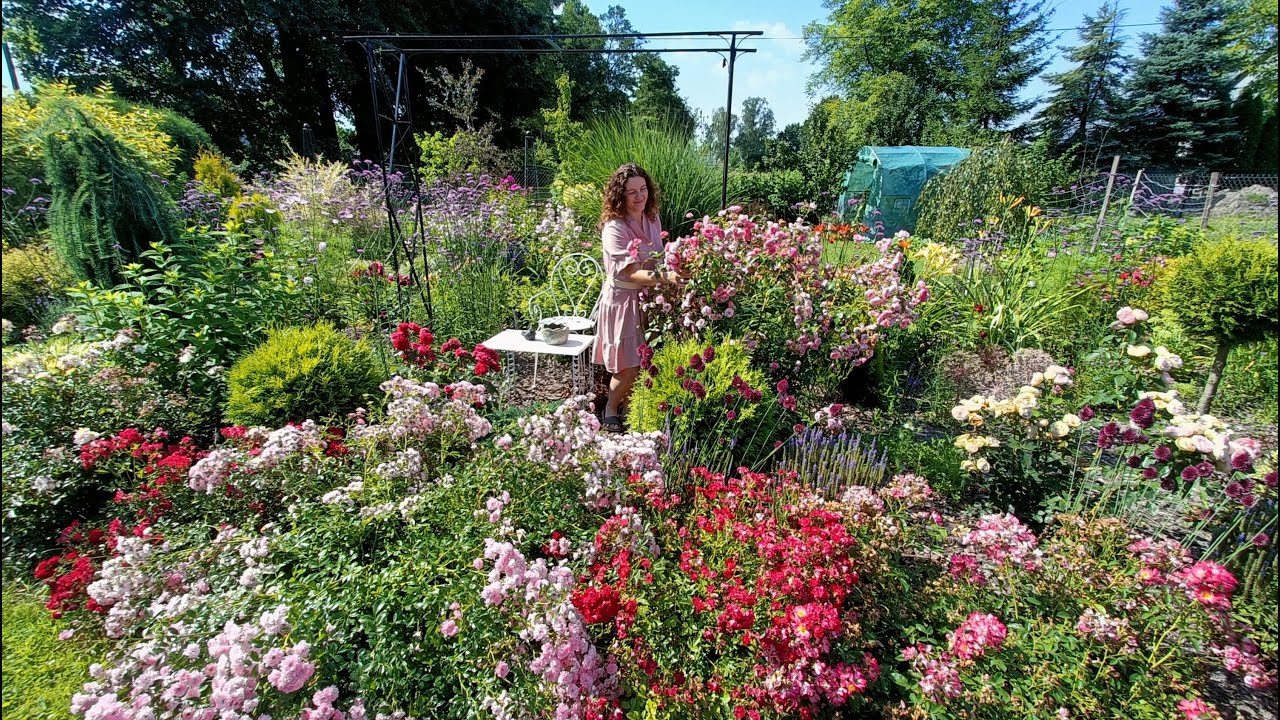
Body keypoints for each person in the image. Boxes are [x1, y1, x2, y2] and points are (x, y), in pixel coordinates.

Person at [592, 163, 680, 434]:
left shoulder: (652, 218)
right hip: (623, 301)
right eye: (632, 192)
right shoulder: (614, 227)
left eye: (643, 189)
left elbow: (659, 255)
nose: (639, 196)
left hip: (649, 298)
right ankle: (610, 408)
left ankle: (632, 409)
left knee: (647, 360)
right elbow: (630, 272)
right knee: (628, 364)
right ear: (620, 195)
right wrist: (668, 278)